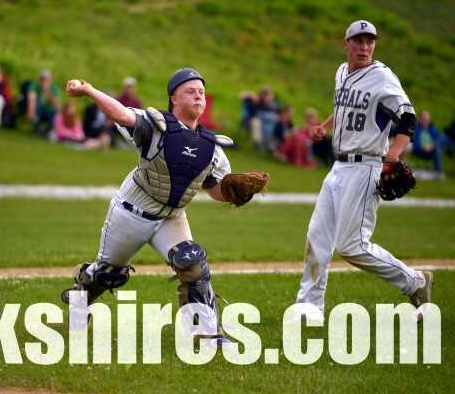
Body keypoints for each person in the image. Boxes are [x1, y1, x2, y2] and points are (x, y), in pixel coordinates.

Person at [60, 68, 257, 343]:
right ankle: (81, 296)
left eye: (201, 92)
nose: (198, 96)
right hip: (131, 211)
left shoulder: (212, 147)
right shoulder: (156, 126)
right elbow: (121, 115)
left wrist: (235, 194)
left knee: (194, 266)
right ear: (174, 98)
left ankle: (208, 334)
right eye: (191, 91)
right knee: (108, 275)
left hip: (172, 217)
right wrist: (90, 90)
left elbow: (215, 190)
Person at [295, 20, 433, 321]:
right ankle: (310, 307)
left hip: (366, 166)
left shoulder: (382, 77)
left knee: (352, 246)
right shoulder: (341, 72)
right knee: (318, 236)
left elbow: (408, 118)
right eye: (358, 41)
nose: (365, 47)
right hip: (339, 166)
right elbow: (344, 106)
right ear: (346, 44)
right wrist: (325, 126)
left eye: (370, 41)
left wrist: (393, 156)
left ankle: (414, 281)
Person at [26, 69, 61, 136]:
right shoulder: (35, 86)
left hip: (49, 110)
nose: (44, 81)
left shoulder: (54, 88)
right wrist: (30, 109)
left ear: (50, 79)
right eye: (42, 79)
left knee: (57, 110)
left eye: (46, 79)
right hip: (38, 109)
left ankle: (49, 130)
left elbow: (56, 103)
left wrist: (47, 91)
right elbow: (31, 98)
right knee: (34, 107)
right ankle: (37, 129)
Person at [412, 110, 445, 178]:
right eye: (423, 118)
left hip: (433, 149)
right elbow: (414, 144)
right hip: (421, 150)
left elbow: (438, 139)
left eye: (426, 118)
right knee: (437, 150)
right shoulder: (416, 130)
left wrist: (432, 145)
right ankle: (439, 172)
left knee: (439, 145)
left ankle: (438, 172)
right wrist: (423, 147)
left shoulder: (432, 129)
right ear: (419, 119)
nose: (425, 120)